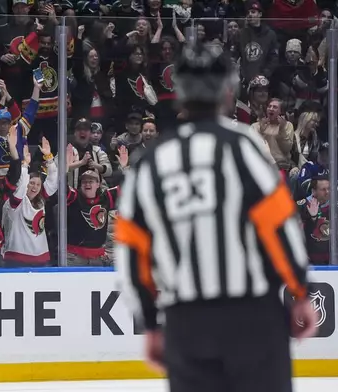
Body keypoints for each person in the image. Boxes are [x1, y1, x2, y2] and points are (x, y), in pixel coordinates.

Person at [113, 43, 318, 392]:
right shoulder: (244, 146)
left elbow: (131, 252)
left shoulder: (151, 162)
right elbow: (281, 227)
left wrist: (150, 324)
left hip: (187, 324)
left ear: (178, 94)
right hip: (254, 319)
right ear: (227, 92)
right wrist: (300, 292)